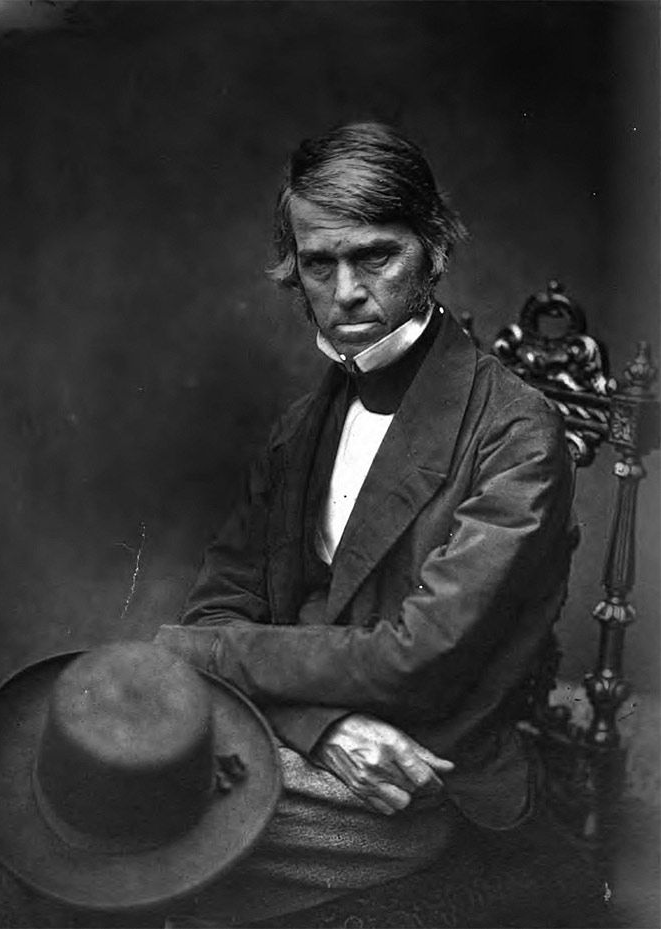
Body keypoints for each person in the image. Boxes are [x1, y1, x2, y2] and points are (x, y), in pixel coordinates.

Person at [155, 121, 576, 925]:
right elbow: (219, 609)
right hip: (308, 743)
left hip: (420, 776)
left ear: (434, 251)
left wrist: (189, 652)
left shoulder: (516, 431)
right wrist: (318, 721)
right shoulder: (296, 432)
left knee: (112, 823)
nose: (346, 290)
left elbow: (417, 661)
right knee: (71, 777)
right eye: (319, 263)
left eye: (375, 256)